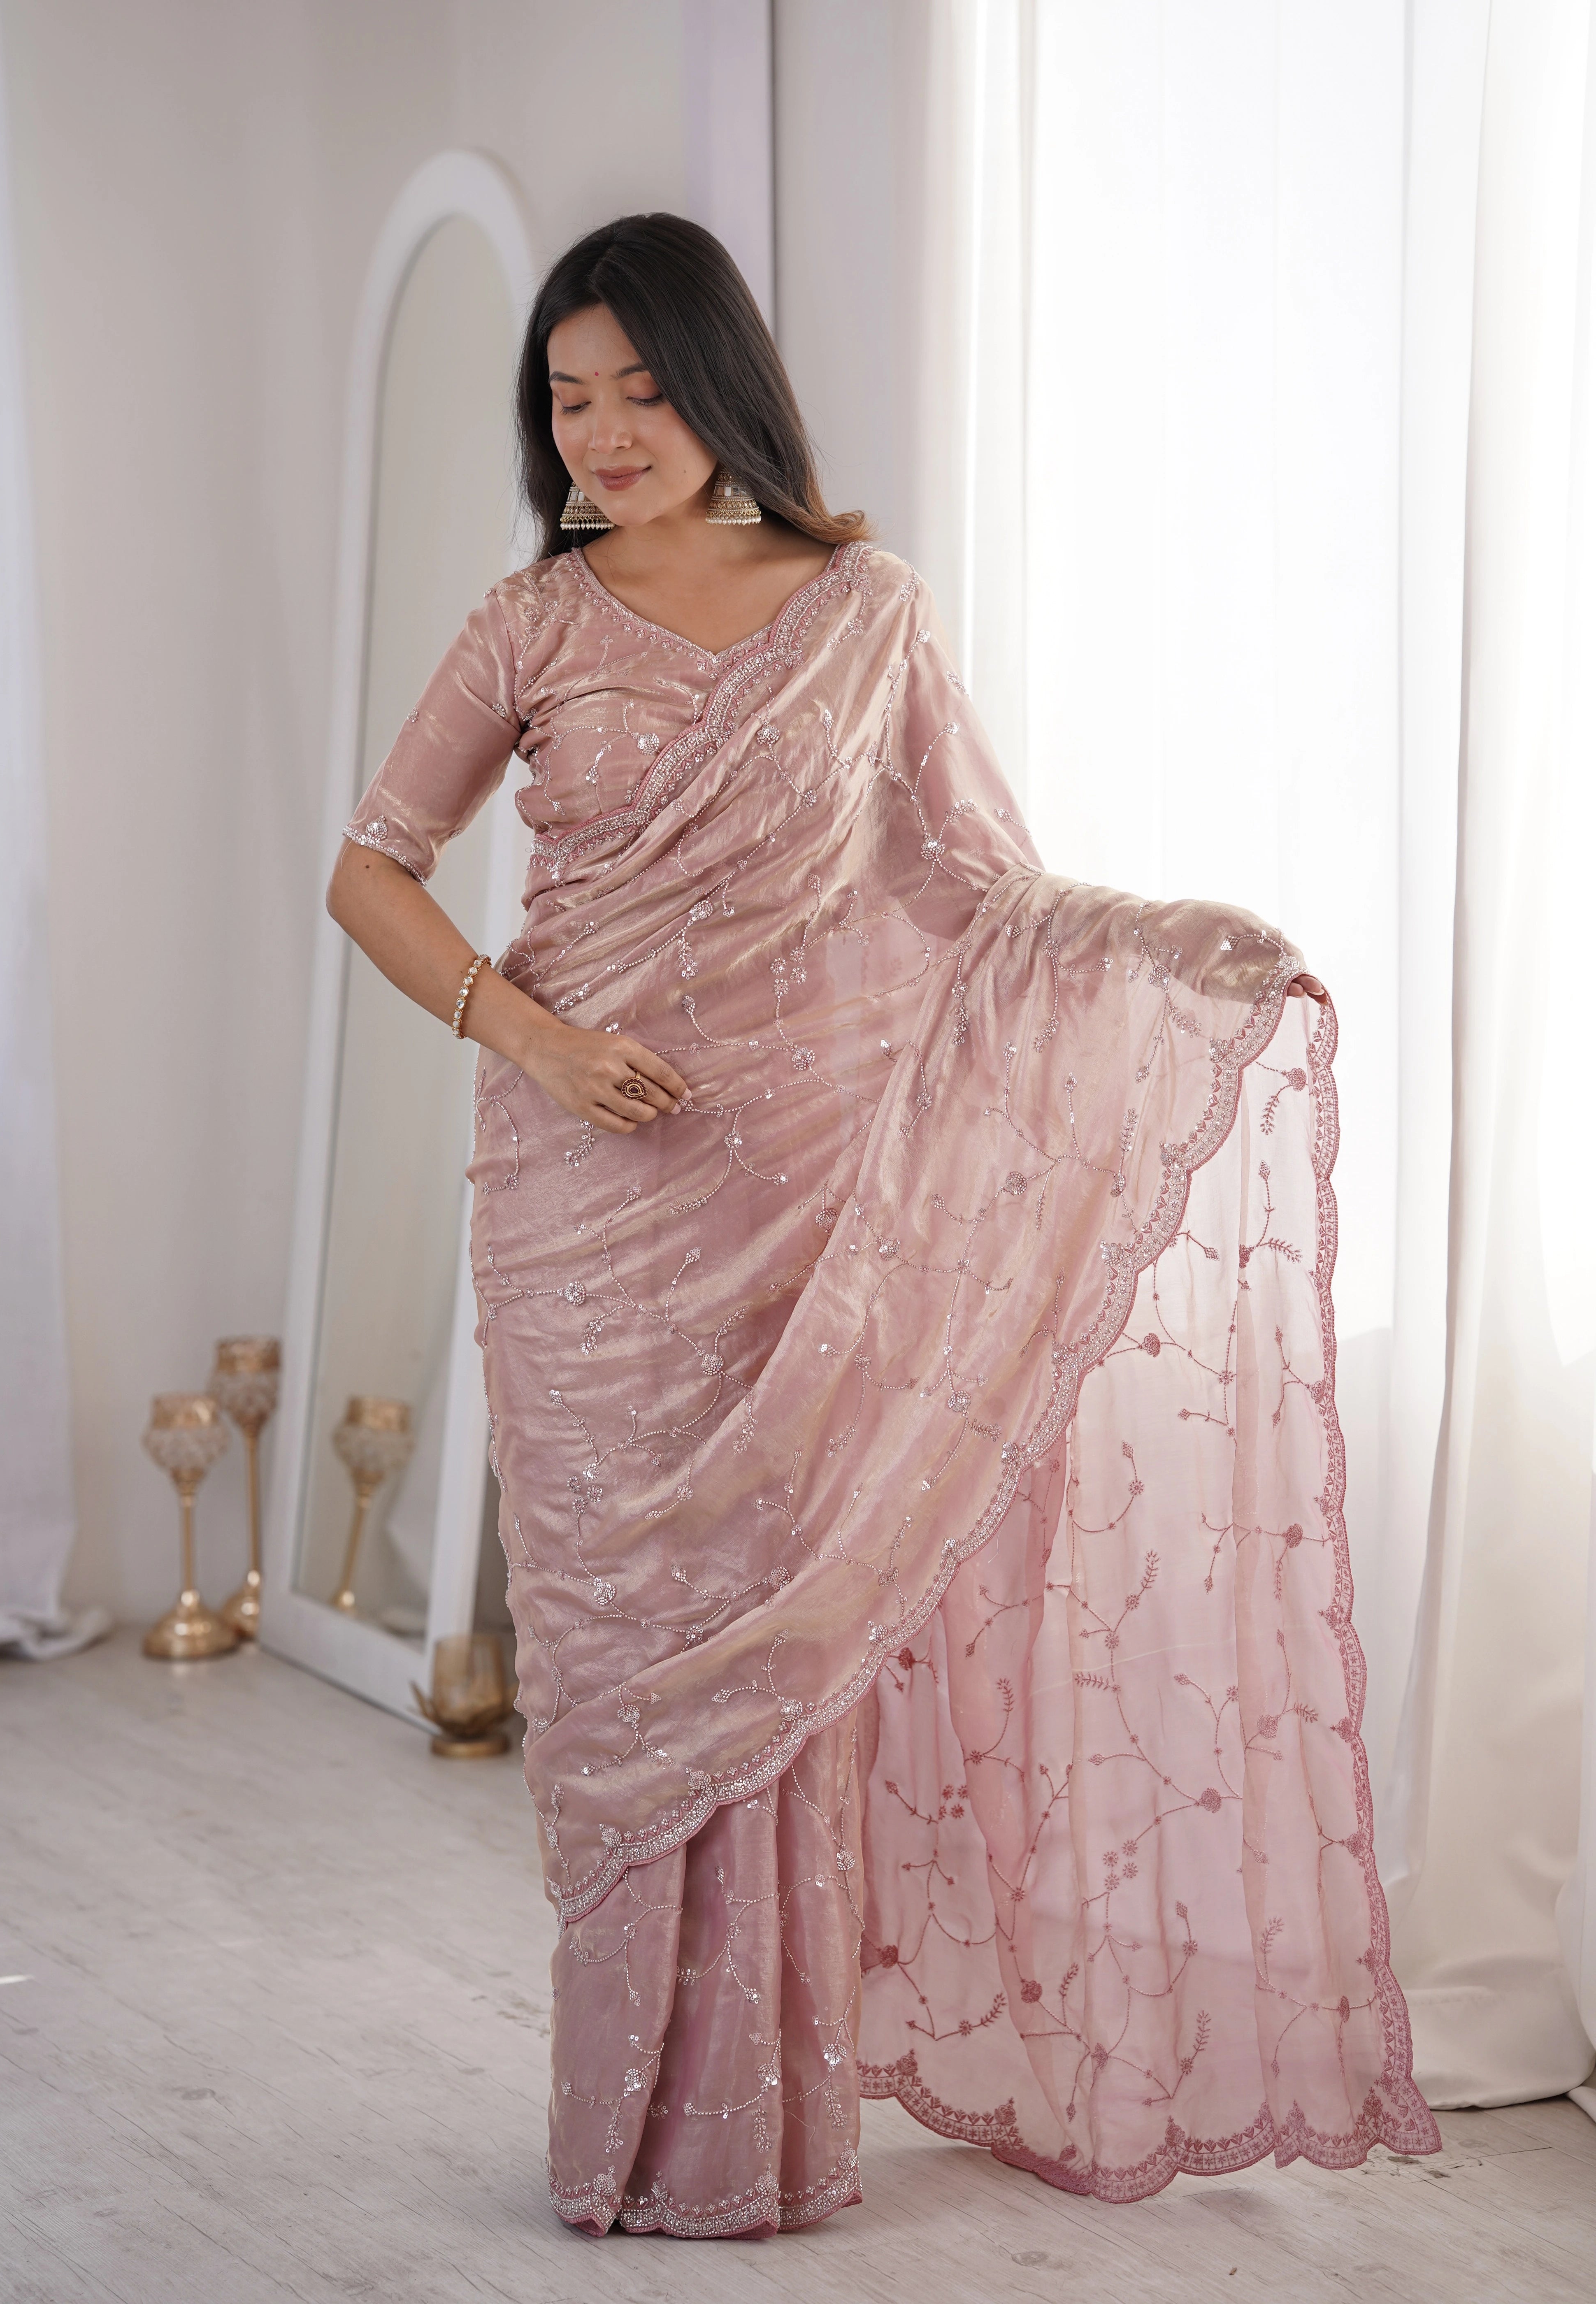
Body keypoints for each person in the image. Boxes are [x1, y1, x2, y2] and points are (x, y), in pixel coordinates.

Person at [327, 213, 1438, 2239]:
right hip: (583, 1213)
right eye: (569, 399)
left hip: (812, 1215)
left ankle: (763, 2131)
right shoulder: (528, 626)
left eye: (641, 389)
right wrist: (542, 1042)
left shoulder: (867, 611)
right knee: (619, 1666)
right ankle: (629, 2132)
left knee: (792, 1641)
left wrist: (1176, 950)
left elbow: (981, 892)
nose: (605, 432)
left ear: (719, 386)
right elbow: (373, 871)